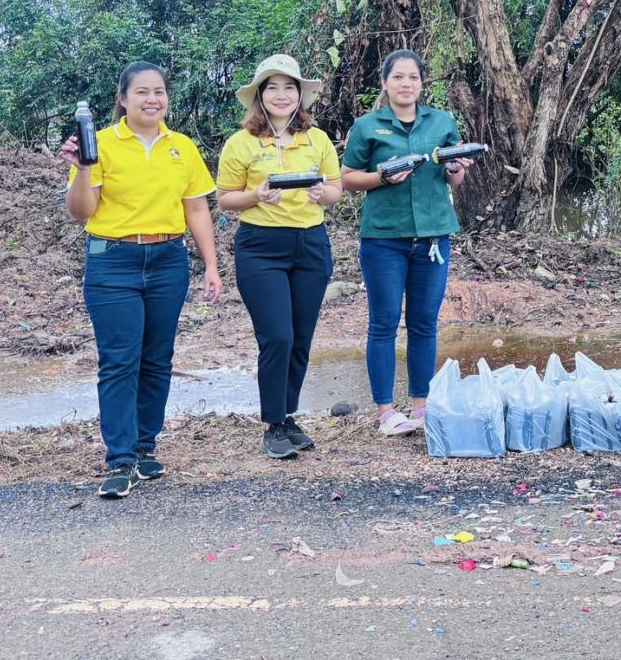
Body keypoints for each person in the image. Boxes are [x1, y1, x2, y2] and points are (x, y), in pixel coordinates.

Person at [60, 61, 222, 499]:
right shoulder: (101, 144)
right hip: (112, 259)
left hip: (169, 258)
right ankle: (120, 459)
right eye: (142, 92)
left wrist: (210, 264)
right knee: (119, 360)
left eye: (160, 92)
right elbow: (81, 212)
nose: (153, 100)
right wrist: (83, 169)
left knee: (157, 358)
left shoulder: (182, 146)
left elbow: (196, 209)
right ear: (123, 98)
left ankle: (145, 447)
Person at [216, 55, 342, 460]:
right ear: (259, 96)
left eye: (290, 87)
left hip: (311, 244)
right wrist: (255, 195)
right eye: (273, 87)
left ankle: (288, 416)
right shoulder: (241, 144)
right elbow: (224, 199)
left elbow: (336, 188)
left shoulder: (317, 139)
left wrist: (324, 194)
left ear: (300, 95)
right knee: (277, 337)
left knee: (301, 338)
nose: (282, 95)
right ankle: (272, 423)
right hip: (261, 247)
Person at [340, 50, 472, 436]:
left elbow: (455, 178)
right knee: (383, 324)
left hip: (432, 237)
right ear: (385, 82)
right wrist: (381, 177)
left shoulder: (441, 121)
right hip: (384, 239)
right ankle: (385, 412)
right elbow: (348, 179)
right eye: (398, 77)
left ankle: (420, 407)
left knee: (424, 324)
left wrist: (456, 168)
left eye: (413, 77)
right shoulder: (368, 126)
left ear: (421, 83)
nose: (406, 84)